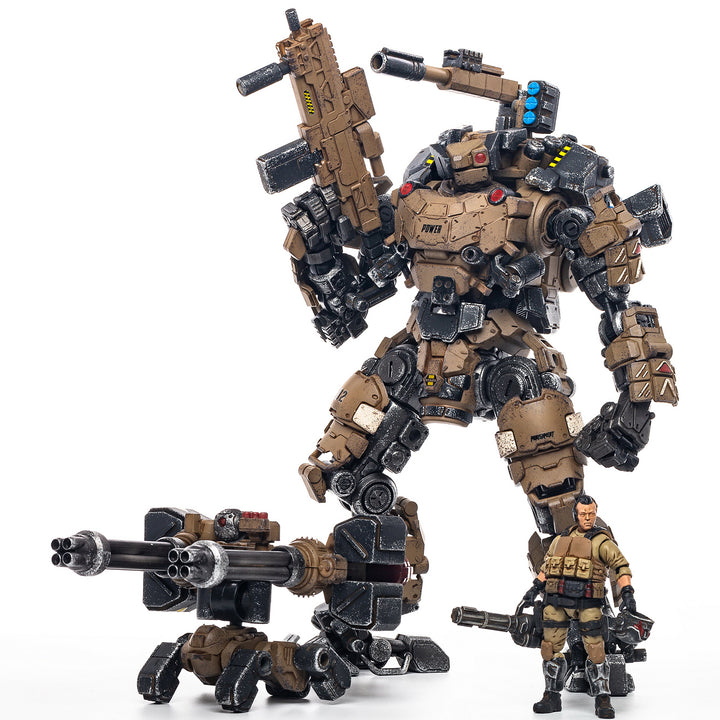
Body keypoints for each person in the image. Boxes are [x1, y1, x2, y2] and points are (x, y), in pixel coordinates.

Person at [522, 495, 637, 718]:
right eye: (584, 513)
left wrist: (627, 593)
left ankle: (602, 697)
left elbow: (621, 566)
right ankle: (551, 695)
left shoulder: (601, 541)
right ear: (575, 514)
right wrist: (534, 589)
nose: (588, 517)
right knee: (550, 648)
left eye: (592, 513)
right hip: (557, 602)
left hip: (588, 603)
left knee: (596, 650)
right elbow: (546, 567)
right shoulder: (560, 540)